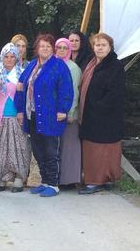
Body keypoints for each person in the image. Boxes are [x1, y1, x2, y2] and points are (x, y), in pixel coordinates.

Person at [15, 34, 73, 197]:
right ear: (37, 48)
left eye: (48, 46)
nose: (45, 49)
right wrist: (20, 109)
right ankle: (45, 181)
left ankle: (53, 184)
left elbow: (66, 89)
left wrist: (63, 109)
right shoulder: (32, 65)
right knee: (38, 150)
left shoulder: (58, 66)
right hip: (31, 114)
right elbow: (20, 86)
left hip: (50, 115)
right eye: (42, 46)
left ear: (52, 48)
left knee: (50, 150)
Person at [78, 33, 125, 194]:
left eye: (103, 45)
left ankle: (97, 181)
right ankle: (98, 179)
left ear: (110, 47)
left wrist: (99, 106)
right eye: (97, 45)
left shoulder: (115, 65)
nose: (99, 48)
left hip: (106, 115)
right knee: (93, 149)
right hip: (90, 115)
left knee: (105, 150)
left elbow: (116, 92)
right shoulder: (92, 63)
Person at [0, 43, 30, 193]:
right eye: (6, 56)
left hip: (16, 117)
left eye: (12, 56)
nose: (9, 59)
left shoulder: (23, 74)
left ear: (17, 58)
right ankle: (1, 178)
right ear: (2, 57)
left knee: (19, 148)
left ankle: (19, 178)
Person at [54, 38, 82, 187]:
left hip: (68, 114)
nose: (62, 50)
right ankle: (57, 178)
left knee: (69, 148)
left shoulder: (73, 68)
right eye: (59, 47)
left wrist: (70, 112)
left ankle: (69, 180)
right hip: (54, 114)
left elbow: (74, 93)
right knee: (57, 148)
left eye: (65, 48)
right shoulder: (53, 65)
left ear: (70, 50)